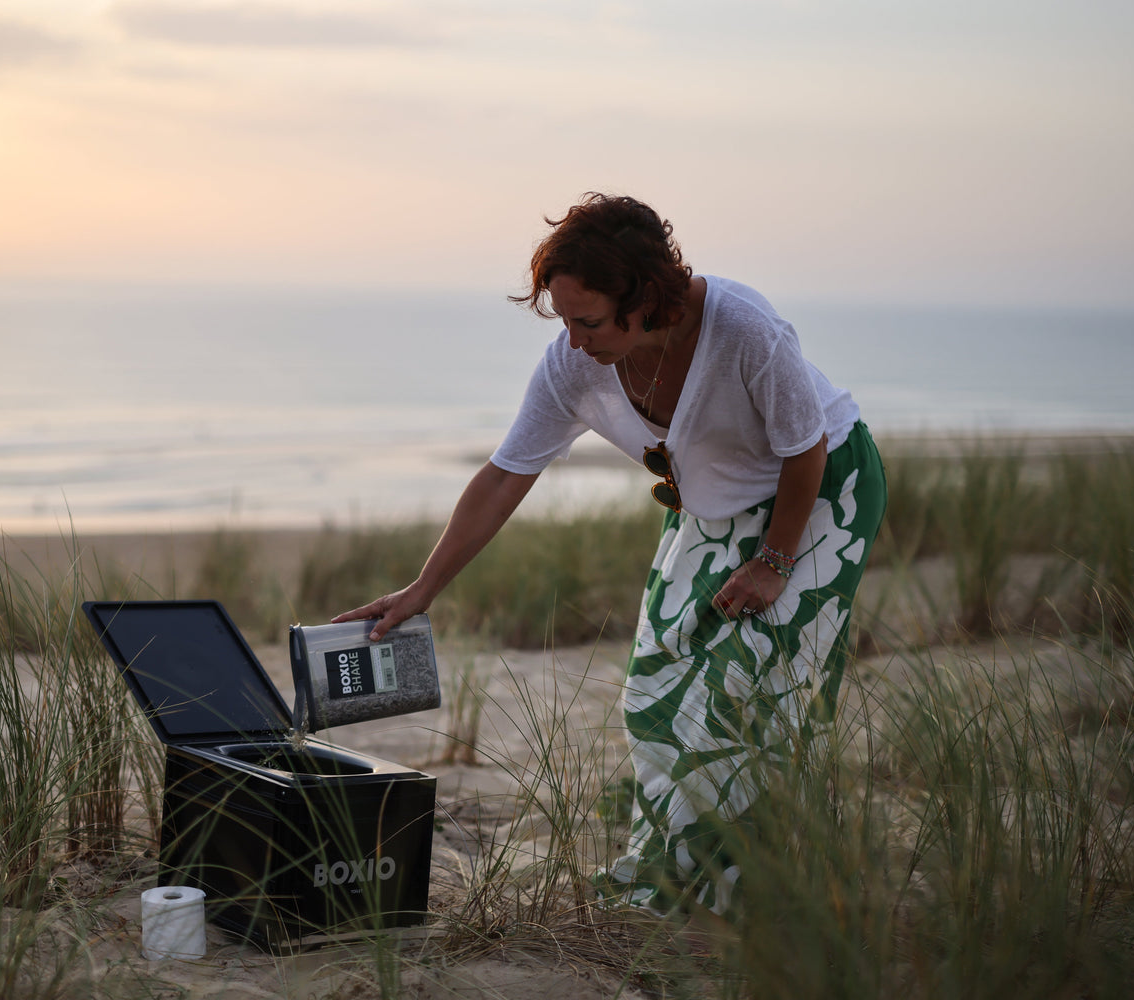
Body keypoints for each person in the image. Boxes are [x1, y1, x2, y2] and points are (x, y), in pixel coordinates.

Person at [334, 193, 886, 917]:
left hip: (819, 495)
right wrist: (422, 589)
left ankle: (739, 902)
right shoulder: (576, 364)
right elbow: (505, 476)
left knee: (747, 698)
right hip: (714, 504)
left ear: (647, 297)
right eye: (562, 319)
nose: (573, 339)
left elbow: (804, 446)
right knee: (654, 696)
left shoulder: (745, 329)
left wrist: (775, 562)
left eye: (587, 320)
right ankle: (674, 872)